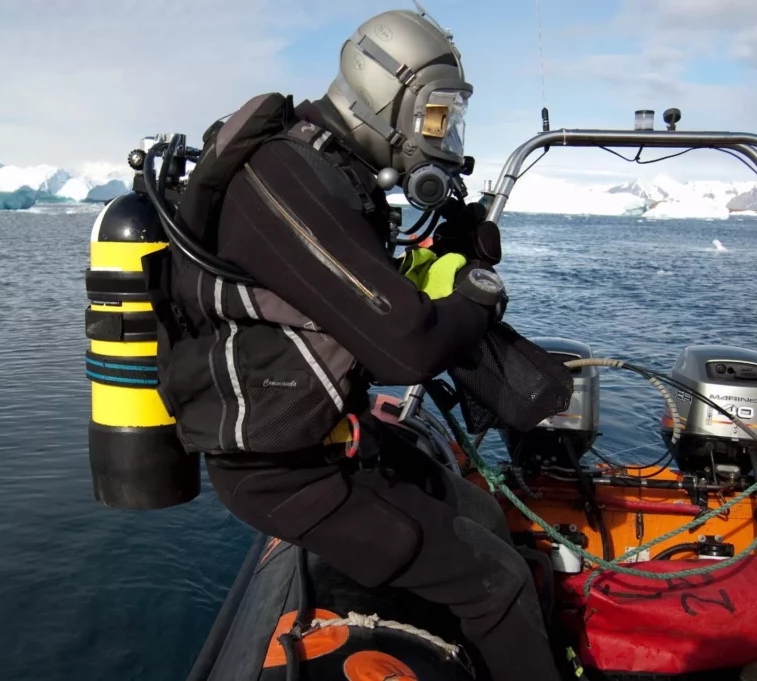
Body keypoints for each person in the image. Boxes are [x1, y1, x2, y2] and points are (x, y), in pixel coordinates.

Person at [156, 7, 562, 680]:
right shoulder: (284, 181)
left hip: (328, 437)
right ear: (384, 96)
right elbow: (404, 345)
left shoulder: (329, 175)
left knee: (479, 510)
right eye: (434, 117)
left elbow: (359, 301)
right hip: (284, 473)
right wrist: (478, 295)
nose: (443, 135)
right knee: (496, 582)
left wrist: (450, 256)